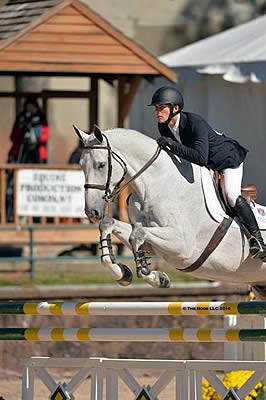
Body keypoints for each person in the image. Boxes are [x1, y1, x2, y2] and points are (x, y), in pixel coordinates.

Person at [148, 86, 266, 261]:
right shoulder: (164, 127)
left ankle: (258, 240)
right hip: (206, 165)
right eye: (156, 108)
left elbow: (200, 157)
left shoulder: (195, 123)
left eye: (161, 108)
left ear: (175, 108)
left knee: (232, 195)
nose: (157, 112)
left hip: (226, 159)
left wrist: (172, 146)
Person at [8, 96, 49, 164]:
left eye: (32, 107)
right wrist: (21, 126)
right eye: (28, 107)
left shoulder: (40, 118)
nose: (30, 109)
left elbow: (44, 137)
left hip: (37, 151)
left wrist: (36, 125)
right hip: (21, 151)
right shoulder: (21, 118)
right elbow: (13, 137)